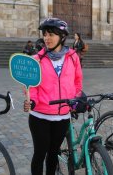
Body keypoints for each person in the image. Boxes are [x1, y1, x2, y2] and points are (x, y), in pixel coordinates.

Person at [23, 18, 83, 175]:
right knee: (40, 154)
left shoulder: (72, 57)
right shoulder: (37, 59)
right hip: (40, 116)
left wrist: (75, 99)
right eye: (45, 34)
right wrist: (33, 101)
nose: (47, 38)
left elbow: (77, 81)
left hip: (62, 116)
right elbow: (30, 86)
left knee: (53, 154)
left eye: (51, 34)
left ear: (62, 37)